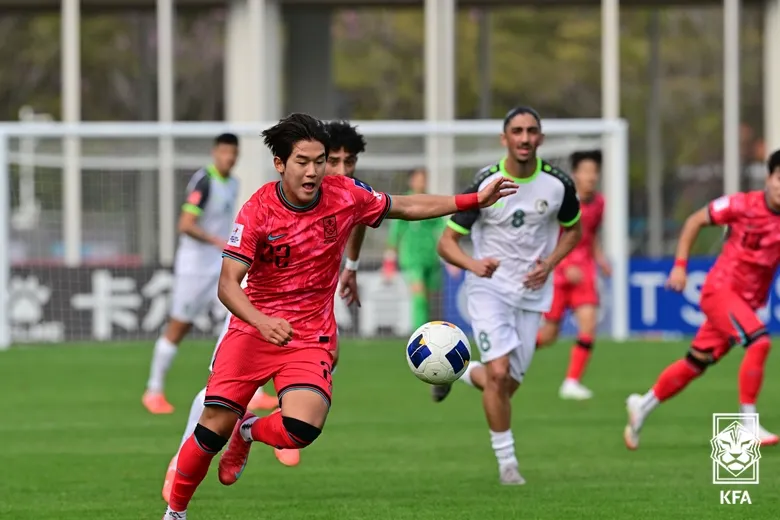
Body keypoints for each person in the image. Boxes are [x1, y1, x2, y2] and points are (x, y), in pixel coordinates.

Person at [161, 113, 516, 519]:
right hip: (253, 328)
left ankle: (248, 431)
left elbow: (406, 205)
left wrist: (473, 200)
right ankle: (175, 514)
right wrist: (261, 321)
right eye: (302, 161)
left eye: (319, 160)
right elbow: (228, 284)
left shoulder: (345, 195)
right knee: (210, 429)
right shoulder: (257, 210)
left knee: (302, 429)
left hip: (309, 334)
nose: (313, 171)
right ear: (280, 163)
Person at [160, 121, 370, 503]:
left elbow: (360, 220)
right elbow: (198, 231)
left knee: (326, 359)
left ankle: (269, 431)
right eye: (331, 161)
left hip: (305, 302)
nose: (337, 170)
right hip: (248, 293)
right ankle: (181, 455)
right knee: (220, 395)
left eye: (345, 162)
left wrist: (351, 268)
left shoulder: (343, 193)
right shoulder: (228, 188)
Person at [433, 106, 582, 485]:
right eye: (517, 131)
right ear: (505, 139)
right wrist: (473, 265)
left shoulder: (558, 184)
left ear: (541, 138)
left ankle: (458, 371)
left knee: (506, 385)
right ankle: (508, 465)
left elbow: (573, 231)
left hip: (532, 293)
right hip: (489, 289)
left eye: (532, 131)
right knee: (498, 375)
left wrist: (549, 263)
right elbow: (446, 242)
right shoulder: (484, 184)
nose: (525, 138)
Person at [624, 150, 780, 450]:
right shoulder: (742, 204)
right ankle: (748, 424)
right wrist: (680, 266)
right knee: (760, 342)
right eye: (779, 178)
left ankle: (642, 405)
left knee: (696, 363)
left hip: (747, 302)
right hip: (721, 291)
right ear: (769, 178)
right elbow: (695, 221)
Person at [143, 133, 240, 415]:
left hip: (220, 266)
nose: (229, 158)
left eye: (233, 153)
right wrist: (216, 241)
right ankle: (153, 390)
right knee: (179, 327)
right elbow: (185, 224)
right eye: (224, 152)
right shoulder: (204, 181)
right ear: (215, 153)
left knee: (238, 321)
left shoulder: (233, 182)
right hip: (195, 267)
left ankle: (251, 391)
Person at [536, 150, 611, 400]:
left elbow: (591, 237)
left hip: (585, 272)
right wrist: (564, 264)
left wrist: (600, 259)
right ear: (576, 174)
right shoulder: (562, 200)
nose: (591, 177)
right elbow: (549, 237)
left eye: (594, 172)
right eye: (586, 171)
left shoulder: (600, 203)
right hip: (559, 272)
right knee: (548, 336)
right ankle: (509, 354)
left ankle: (571, 382)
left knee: (589, 324)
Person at [383, 168, 446, 329]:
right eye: (418, 179)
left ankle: (429, 330)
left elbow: (443, 227)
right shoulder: (404, 202)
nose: (421, 182)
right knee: (419, 297)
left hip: (431, 258)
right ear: (411, 181)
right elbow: (395, 233)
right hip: (412, 258)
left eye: (424, 179)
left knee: (430, 298)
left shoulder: (431, 201)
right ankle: (419, 333)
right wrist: (389, 261)